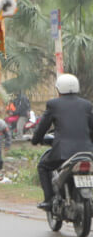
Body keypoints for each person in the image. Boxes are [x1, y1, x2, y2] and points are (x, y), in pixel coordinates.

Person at [32, 74, 93, 210]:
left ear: (59, 89)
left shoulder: (53, 104)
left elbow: (43, 126)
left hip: (63, 153)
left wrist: (36, 139)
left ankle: (48, 200)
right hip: (86, 152)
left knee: (43, 166)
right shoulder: (87, 105)